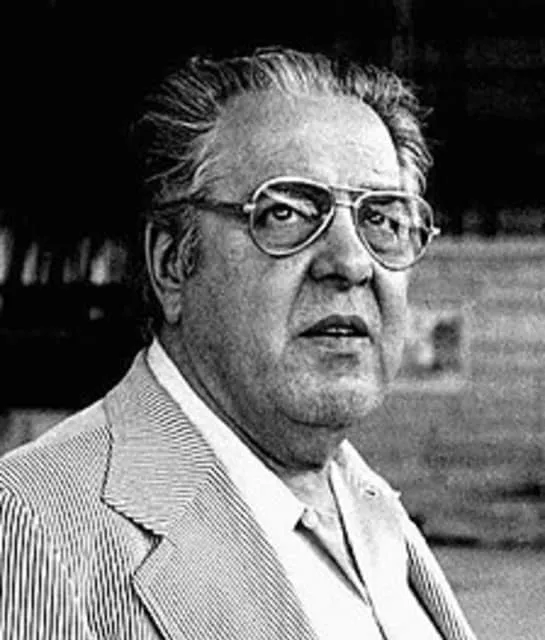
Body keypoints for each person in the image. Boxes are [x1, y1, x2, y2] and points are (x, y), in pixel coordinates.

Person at [0, 47, 477, 639]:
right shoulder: (34, 530)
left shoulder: (374, 511)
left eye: (382, 219)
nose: (352, 262)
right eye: (286, 213)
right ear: (172, 264)